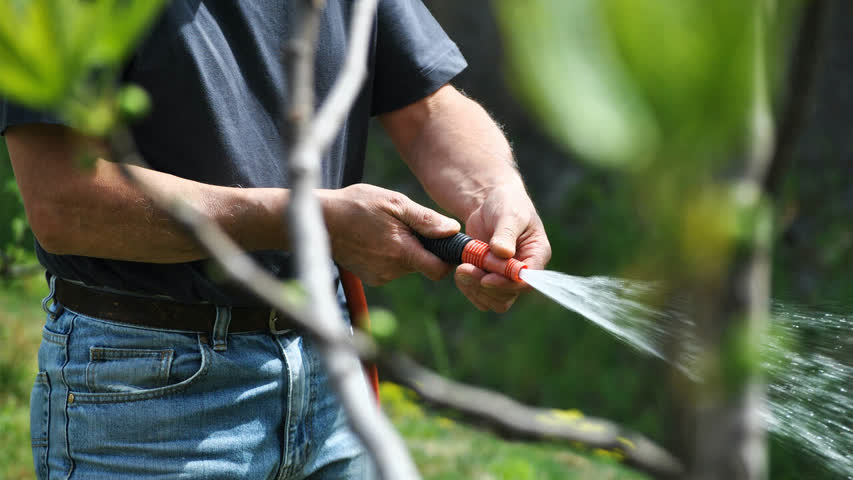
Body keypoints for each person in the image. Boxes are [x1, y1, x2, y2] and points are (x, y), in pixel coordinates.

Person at [2, 1, 551, 479]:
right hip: (150, 396)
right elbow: (62, 201)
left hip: (329, 362)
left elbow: (428, 106)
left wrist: (494, 191)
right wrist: (307, 219)